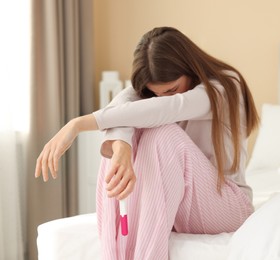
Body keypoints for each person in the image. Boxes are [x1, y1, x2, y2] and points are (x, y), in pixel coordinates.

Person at [35, 26, 259, 260]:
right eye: (158, 93)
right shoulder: (160, 95)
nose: (166, 96)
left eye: (173, 89)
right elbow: (126, 102)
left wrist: (78, 124)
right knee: (130, 132)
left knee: (160, 131)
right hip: (181, 202)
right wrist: (122, 145)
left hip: (229, 206)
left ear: (189, 67)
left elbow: (167, 108)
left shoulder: (224, 87)